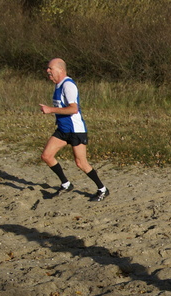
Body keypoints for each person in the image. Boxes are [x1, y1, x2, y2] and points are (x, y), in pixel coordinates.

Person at [40, 58, 109, 201]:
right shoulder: (58, 85)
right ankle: (66, 184)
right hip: (63, 130)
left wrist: (50, 110)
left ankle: (102, 189)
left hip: (75, 130)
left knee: (81, 163)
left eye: (50, 68)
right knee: (46, 156)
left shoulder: (68, 85)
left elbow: (73, 109)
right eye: (48, 68)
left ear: (60, 69)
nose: (48, 71)